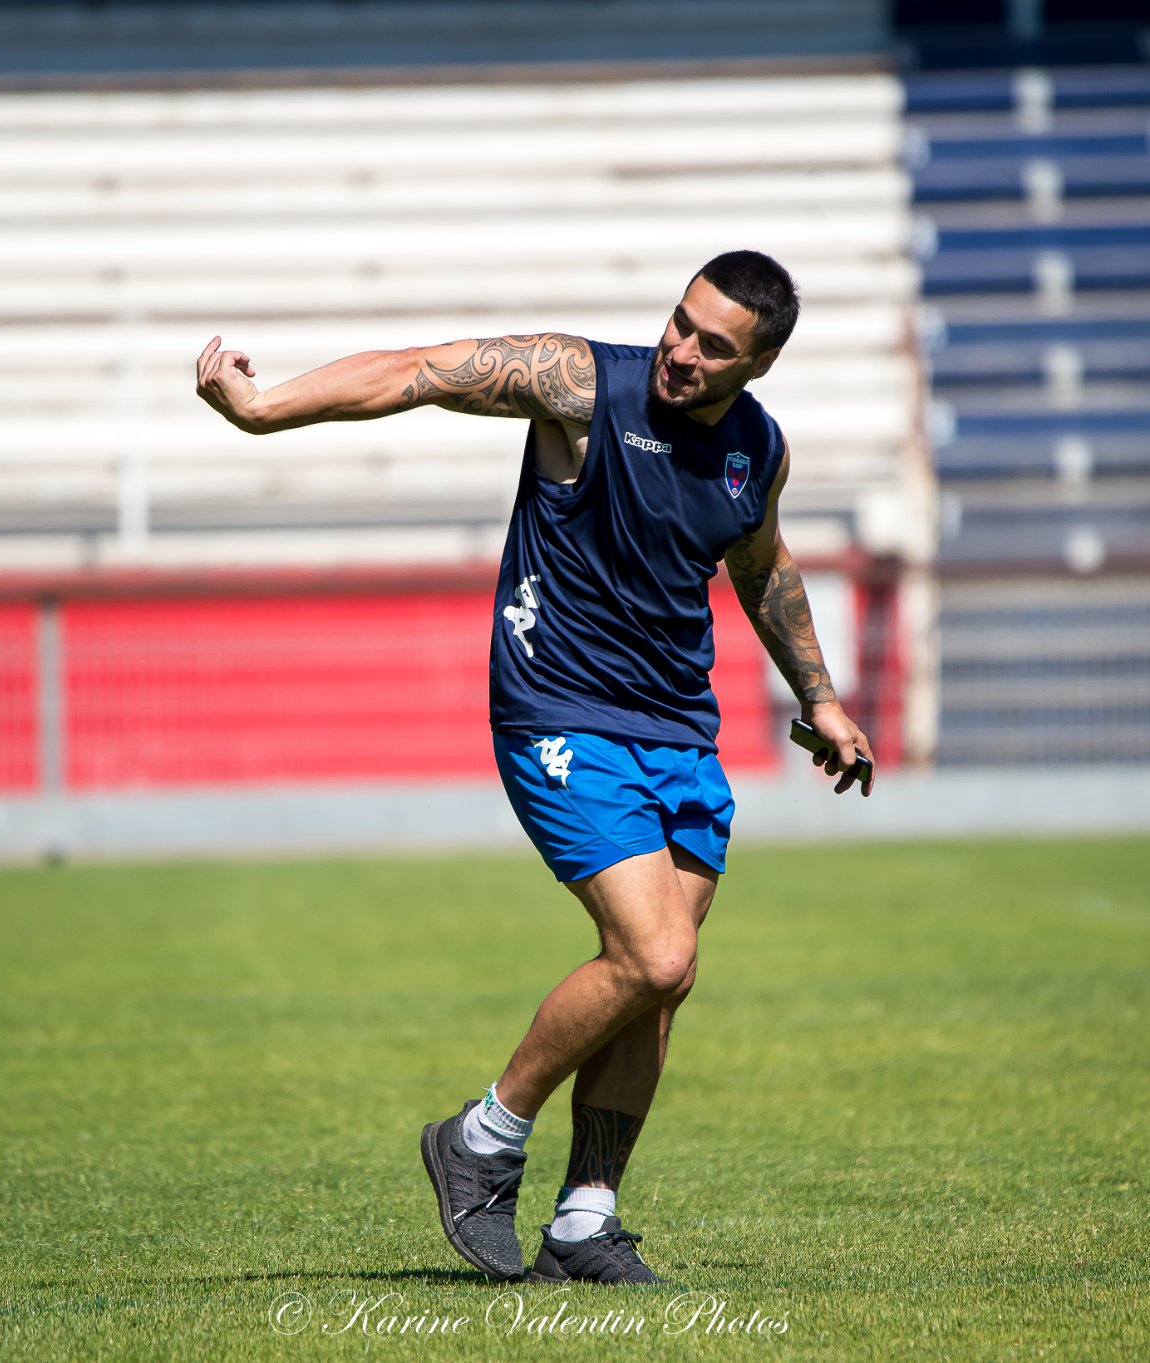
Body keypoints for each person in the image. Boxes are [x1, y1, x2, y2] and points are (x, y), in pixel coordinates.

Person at [195, 249, 873, 1286]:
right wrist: (263, 408)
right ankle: (480, 1136)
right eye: (679, 323)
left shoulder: (756, 450)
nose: (679, 351)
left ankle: (583, 1220)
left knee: (657, 990)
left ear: (759, 364)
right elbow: (420, 370)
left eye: (712, 345)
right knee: (654, 956)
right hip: (558, 711)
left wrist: (818, 697)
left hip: (679, 731)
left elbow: (760, 563)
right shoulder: (581, 387)